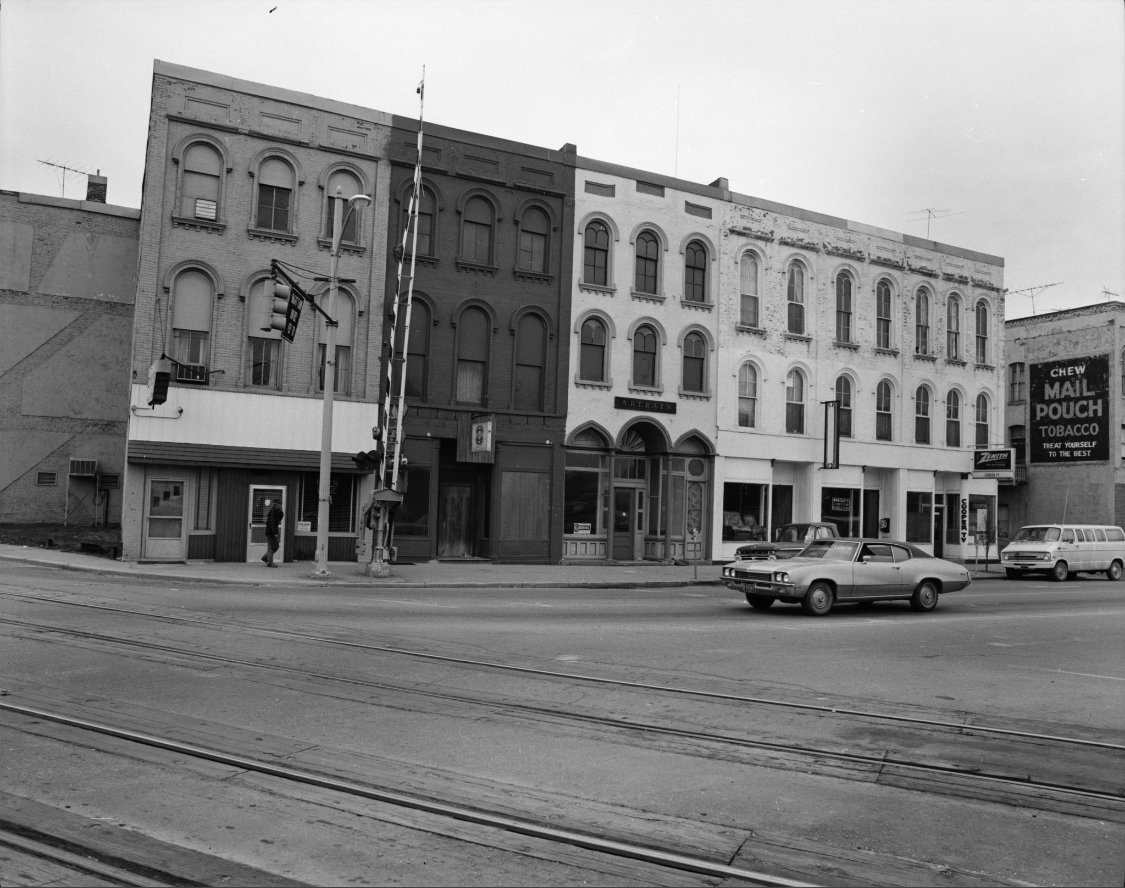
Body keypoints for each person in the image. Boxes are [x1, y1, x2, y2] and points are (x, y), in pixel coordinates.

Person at [262, 499, 283, 567]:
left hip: (273, 532)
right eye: (280, 504)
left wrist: (281, 512)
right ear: (276, 505)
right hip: (270, 532)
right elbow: (272, 524)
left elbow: (279, 519)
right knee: (273, 547)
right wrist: (275, 533)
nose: (281, 505)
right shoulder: (272, 512)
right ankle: (269, 562)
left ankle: (266, 558)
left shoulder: (277, 512)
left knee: (274, 547)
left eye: (281, 504)